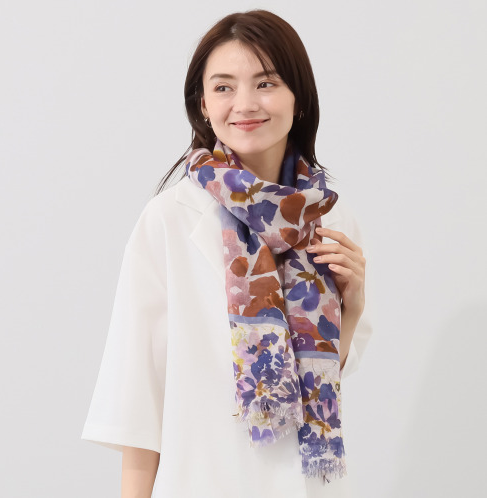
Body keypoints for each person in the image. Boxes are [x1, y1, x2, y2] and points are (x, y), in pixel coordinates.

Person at [81, 9, 372, 498]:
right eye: (223, 87)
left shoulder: (330, 218)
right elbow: (137, 393)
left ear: (299, 98)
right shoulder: (170, 219)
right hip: (202, 481)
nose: (245, 104)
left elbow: (324, 379)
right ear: (203, 104)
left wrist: (354, 307)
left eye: (266, 83)